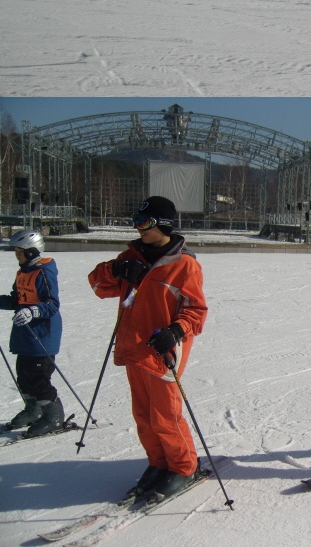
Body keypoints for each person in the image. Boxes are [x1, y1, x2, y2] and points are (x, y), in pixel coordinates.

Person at [89, 196, 208, 504]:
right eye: (135, 221)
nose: (137, 228)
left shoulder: (185, 266)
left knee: (165, 416)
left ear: (163, 225)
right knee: (143, 415)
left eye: (144, 223)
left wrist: (174, 331)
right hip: (134, 349)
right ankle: (158, 463)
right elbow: (98, 286)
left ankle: (183, 467)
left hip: (164, 352)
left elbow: (196, 311)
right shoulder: (131, 256)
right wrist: (116, 269)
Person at [0, 230, 64, 436]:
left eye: (19, 252)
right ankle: (33, 409)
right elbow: (17, 299)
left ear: (31, 252)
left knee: (38, 378)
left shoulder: (44, 272)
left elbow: (52, 304)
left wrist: (32, 310)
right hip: (25, 334)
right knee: (24, 376)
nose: (16, 255)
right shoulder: (23, 272)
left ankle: (53, 416)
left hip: (42, 336)